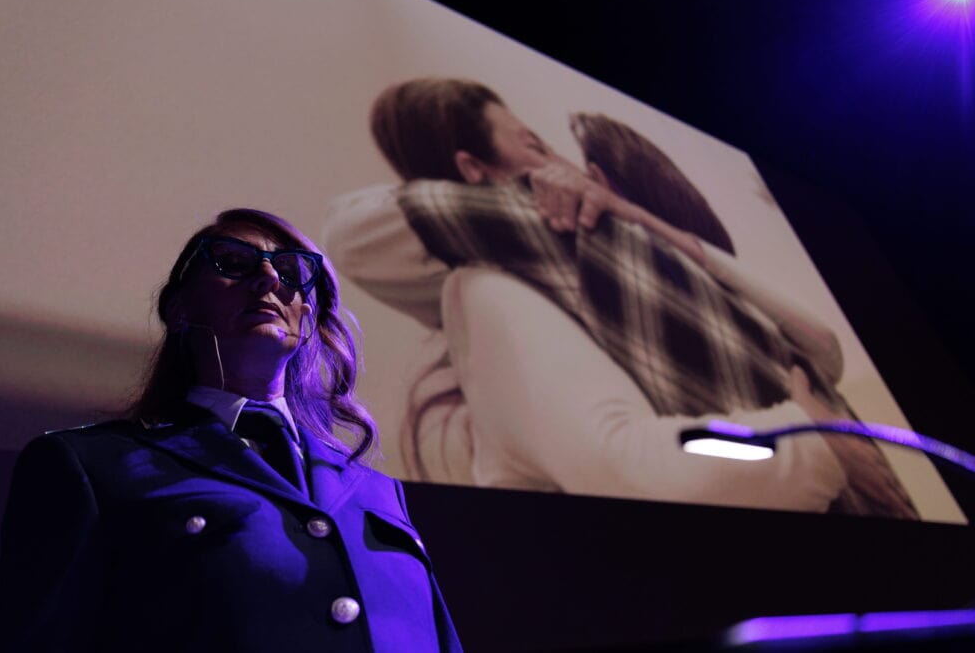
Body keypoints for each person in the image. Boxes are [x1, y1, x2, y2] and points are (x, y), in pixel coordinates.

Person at [325, 77, 916, 518]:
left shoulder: (619, 270)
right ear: (473, 169)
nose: (563, 164)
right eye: (533, 144)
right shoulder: (493, 292)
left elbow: (821, 348)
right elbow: (634, 471)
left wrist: (647, 224)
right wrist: (811, 440)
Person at [0, 209, 462, 652]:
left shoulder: (378, 491)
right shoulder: (94, 467)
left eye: (291, 272)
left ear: (309, 316)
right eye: (233, 262)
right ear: (178, 308)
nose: (269, 277)